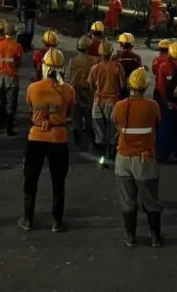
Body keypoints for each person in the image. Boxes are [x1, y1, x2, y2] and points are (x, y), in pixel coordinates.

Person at [18, 48, 75, 232]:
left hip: (36, 137)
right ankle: (57, 222)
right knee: (58, 181)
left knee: (31, 179)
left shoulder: (33, 88)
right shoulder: (68, 90)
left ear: (44, 66)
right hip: (58, 138)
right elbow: (69, 114)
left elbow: (30, 109)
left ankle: (28, 219)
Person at [113, 68, 163, 248]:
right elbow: (157, 123)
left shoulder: (119, 106)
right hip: (145, 159)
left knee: (128, 200)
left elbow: (116, 124)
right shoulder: (153, 106)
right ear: (146, 86)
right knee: (150, 199)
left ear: (129, 85)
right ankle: (155, 237)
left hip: (124, 158)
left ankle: (130, 236)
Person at [88, 40, 126, 166]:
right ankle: (112, 157)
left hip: (98, 103)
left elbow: (91, 87)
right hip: (113, 102)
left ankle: (102, 158)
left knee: (100, 133)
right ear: (111, 52)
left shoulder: (95, 68)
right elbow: (123, 85)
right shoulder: (117, 66)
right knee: (113, 133)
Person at [155, 41, 177, 163]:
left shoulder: (163, 67)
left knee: (165, 128)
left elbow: (161, 88)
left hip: (167, 103)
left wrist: (166, 102)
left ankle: (163, 155)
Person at [0, 21, 25, 136]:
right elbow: (19, 62)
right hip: (12, 77)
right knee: (10, 104)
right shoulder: (17, 46)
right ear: (14, 33)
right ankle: (9, 129)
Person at [66, 36, 98, 150]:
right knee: (89, 117)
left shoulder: (73, 61)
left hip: (75, 91)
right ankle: (91, 140)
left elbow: (69, 77)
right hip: (89, 92)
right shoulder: (94, 60)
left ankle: (78, 140)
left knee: (76, 117)